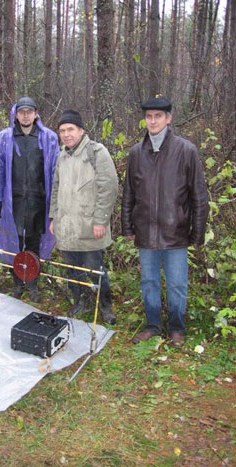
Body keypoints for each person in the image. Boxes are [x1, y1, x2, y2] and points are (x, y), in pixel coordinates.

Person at [121, 97, 209, 345]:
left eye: (158, 116)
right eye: (149, 116)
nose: (153, 121)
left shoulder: (186, 151)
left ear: (169, 118)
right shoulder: (137, 153)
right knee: (149, 281)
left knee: (177, 284)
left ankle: (177, 328)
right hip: (146, 233)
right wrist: (127, 226)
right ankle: (152, 325)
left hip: (176, 233)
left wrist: (197, 232)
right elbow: (129, 192)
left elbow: (198, 195)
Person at [49, 110, 119, 324]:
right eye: (62, 130)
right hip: (66, 226)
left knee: (95, 270)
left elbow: (109, 187)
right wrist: (53, 217)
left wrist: (101, 220)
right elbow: (56, 188)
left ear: (81, 130)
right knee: (72, 270)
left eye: (70, 129)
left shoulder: (97, 152)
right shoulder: (61, 155)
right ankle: (80, 301)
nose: (66, 134)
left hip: (89, 225)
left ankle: (105, 306)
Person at [0, 97, 59, 301]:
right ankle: (18, 282)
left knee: (34, 242)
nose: (26, 115)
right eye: (22, 111)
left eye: (30, 111)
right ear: (16, 114)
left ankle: (33, 284)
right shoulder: (5, 138)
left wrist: (55, 203)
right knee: (14, 243)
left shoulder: (49, 138)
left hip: (39, 201)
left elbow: (56, 172)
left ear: (36, 113)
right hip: (14, 201)